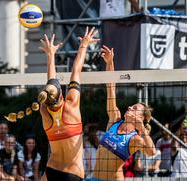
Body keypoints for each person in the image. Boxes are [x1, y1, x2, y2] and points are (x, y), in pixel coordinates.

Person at [38, 27, 99, 181]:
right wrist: (84, 45)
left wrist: (50, 55)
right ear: (61, 95)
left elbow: (50, 87)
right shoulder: (71, 105)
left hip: (51, 170)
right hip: (72, 174)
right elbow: (76, 71)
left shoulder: (44, 111)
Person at [92, 45, 156, 181]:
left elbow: (151, 152)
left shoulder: (135, 139)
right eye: (131, 106)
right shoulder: (115, 119)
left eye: (134, 108)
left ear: (140, 117)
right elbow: (110, 88)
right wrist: (110, 63)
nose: (129, 107)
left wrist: (142, 128)